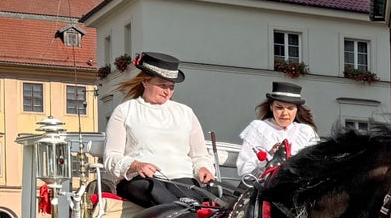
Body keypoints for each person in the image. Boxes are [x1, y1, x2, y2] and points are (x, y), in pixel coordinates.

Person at [104, 51, 217, 207]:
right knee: (154, 189)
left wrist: (203, 168)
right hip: (141, 180)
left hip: (181, 178)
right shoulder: (125, 111)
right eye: (162, 86)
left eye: (171, 87)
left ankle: (185, 211)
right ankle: (185, 211)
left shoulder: (185, 112)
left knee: (190, 191)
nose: (167, 92)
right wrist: (135, 165)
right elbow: (111, 156)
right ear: (145, 82)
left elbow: (199, 155)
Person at [236, 82, 320, 177]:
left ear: (297, 110)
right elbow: (244, 170)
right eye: (279, 108)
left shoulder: (306, 132)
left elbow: (315, 166)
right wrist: (268, 155)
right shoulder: (258, 129)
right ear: (271, 107)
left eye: (290, 108)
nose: (284, 113)